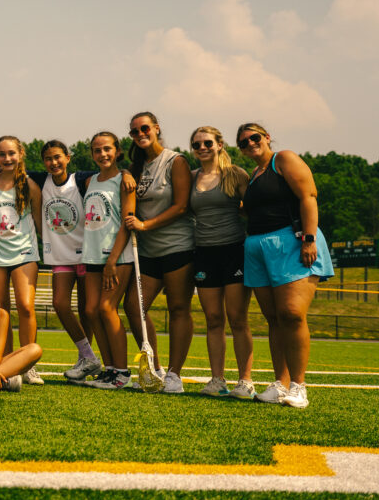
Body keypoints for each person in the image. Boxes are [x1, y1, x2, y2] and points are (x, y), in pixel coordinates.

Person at [237, 122, 333, 408]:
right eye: (243, 142)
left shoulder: (284, 159)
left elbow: (308, 196)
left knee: (291, 314)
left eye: (255, 137)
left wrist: (309, 239)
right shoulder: (253, 175)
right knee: (274, 318)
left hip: (291, 241)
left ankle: (299, 386)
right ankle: (280, 384)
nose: (250, 143)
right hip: (258, 247)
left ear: (267, 137)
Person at [122, 112, 195, 393]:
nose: (140, 134)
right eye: (134, 131)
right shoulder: (136, 167)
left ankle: (175, 375)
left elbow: (181, 206)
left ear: (156, 129)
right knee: (133, 306)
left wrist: (145, 225)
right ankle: (155, 369)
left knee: (178, 309)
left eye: (144, 128)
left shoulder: (175, 161)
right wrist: (126, 172)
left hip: (177, 247)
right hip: (148, 251)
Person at [188, 126, 254, 399]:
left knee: (237, 319)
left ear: (219, 145)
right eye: (196, 145)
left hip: (234, 251)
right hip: (204, 253)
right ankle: (217, 380)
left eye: (207, 143)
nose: (202, 148)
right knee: (214, 319)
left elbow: (253, 210)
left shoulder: (236, 174)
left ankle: (245, 381)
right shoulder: (191, 177)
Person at [0, 135, 43, 384]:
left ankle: (28, 364)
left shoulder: (30, 185)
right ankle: (7, 361)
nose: (7, 158)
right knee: (1, 311)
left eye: (11, 153)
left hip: (25, 253)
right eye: (2, 154)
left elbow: (39, 224)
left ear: (20, 154)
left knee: (25, 306)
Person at [39, 140, 101, 383]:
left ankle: (83, 360)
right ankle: (89, 356)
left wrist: (126, 174)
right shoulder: (40, 181)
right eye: (48, 158)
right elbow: (11, 171)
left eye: (58, 157)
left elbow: (110, 175)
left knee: (87, 311)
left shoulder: (81, 179)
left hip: (85, 254)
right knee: (60, 304)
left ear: (68, 157)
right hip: (60, 256)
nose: (53, 162)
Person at [80, 132, 137, 390]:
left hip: (117, 256)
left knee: (106, 308)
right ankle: (110, 369)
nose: (102, 154)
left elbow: (127, 223)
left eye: (107, 149)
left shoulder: (124, 181)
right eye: (97, 150)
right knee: (91, 311)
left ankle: (122, 374)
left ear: (117, 151)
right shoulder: (90, 180)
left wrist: (112, 260)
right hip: (92, 254)